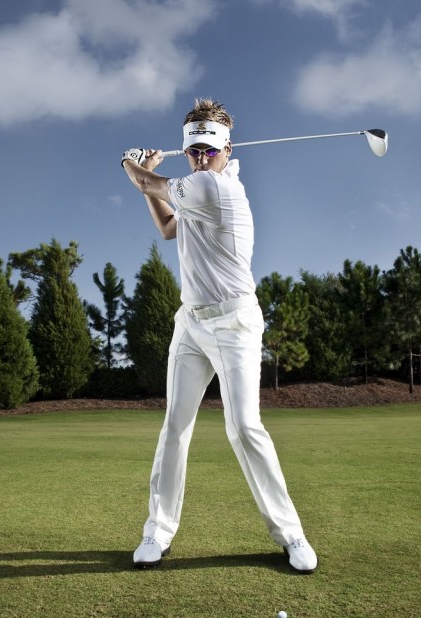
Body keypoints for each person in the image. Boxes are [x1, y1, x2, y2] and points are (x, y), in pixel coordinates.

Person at [120, 98, 317, 574]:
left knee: (244, 427)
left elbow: (149, 182)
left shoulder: (213, 188)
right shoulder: (195, 187)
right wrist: (148, 183)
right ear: (188, 151)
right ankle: (158, 530)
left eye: (211, 149)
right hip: (191, 321)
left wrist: (130, 163)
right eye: (195, 151)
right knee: (175, 426)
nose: (203, 158)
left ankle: (291, 533)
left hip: (234, 323)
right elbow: (168, 227)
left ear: (227, 148)